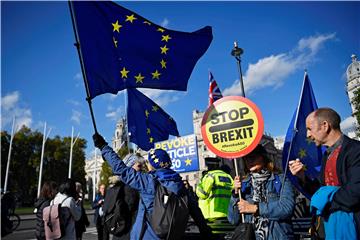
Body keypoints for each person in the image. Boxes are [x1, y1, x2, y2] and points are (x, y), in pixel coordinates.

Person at [93, 133, 207, 240]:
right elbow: (197, 214)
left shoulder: (148, 182)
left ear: (152, 164)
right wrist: (208, 234)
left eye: (148, 162)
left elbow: (121, 169)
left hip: (148, 235)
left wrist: (103, 147)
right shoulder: (181, 186)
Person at [289, 107, 360, 238]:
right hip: (328, 228)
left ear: (325, 126)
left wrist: (323, 200)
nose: (307, 135)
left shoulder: (355, 150)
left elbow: (354, 194)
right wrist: (303, 177)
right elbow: (319, 191)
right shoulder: (326, 155)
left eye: (309, 129)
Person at [228, 144, 295, 240]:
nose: (249, 161)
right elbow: (233, 220)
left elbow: (286, 208)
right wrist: (235, 194)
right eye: (246, 158)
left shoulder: (281, 180)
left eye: (253, 157)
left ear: (263, 158)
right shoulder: (244, 184)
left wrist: (256, 208)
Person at [103, 154, 143, 240]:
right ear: (129, 167)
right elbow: (129, 212)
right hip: (127, 232)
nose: (141, 169)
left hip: (119, 231)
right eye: (139, 166)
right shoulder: (129, 187)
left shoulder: (116, 185)